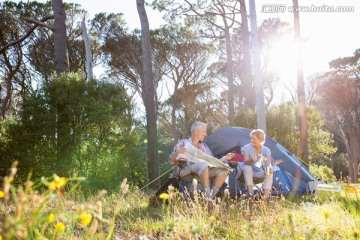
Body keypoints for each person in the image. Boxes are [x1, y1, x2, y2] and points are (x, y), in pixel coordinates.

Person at [169, 121, 234, 200]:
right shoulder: (183, 143)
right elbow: (171, 160)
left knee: (225, 170)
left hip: (203, 170)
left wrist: (225, 158)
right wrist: (177, 153)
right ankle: (208, 198)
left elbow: (212, 162)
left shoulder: (204, 147)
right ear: (196, 131)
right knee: (203, 165)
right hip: (186, 170)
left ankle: (209, 198)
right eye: (203, 131)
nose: (205, 134)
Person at [240, 129, 273, 200]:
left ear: (260, 140)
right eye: (251, 138)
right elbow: (245, 163)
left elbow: (267, 164)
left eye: (254, 138)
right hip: (246, 173)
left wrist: (269, 168)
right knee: (247, 167)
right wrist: (251, 160)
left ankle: (266, 196)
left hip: (258, 173)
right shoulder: (246, 148)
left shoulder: (266, 150)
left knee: (269, 171)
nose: (252, 140)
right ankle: (251, 194)